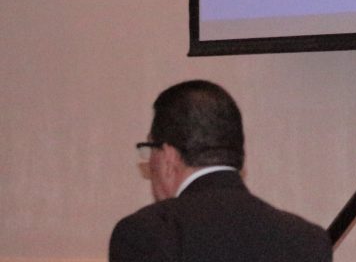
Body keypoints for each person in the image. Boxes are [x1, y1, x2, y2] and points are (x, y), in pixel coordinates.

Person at [109, 80, 332, 261]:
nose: (150, 163)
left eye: (151, 149)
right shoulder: (308, 240)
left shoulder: (148, 233)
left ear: (169, 158)